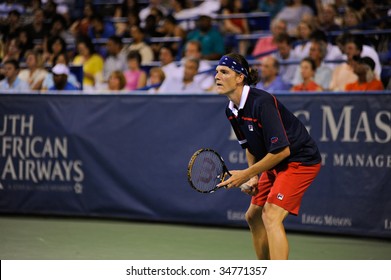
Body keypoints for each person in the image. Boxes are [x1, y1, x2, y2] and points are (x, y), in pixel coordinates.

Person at [215, 53, 321, 260]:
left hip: (299, 160)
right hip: (275, 163)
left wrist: (245, 174)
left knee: (271, 215)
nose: (217, 76)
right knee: (253, 216)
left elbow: (282, 150)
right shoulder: (231, 110)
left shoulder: (261, 102)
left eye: (224, 72)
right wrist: (253, 177)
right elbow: (250, 147)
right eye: (217, 71)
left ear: (240, 78)